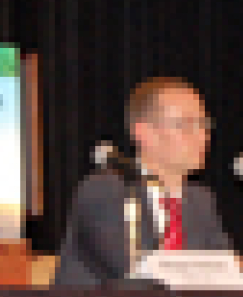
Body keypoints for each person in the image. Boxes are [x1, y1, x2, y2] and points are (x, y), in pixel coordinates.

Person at [53, 77, 233, 285]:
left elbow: (226, 269)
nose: (203, 136)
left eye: (204, 124)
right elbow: (134, 270)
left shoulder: (200, 201)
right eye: (186, 124)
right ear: (143, 133)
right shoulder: (106, 190)